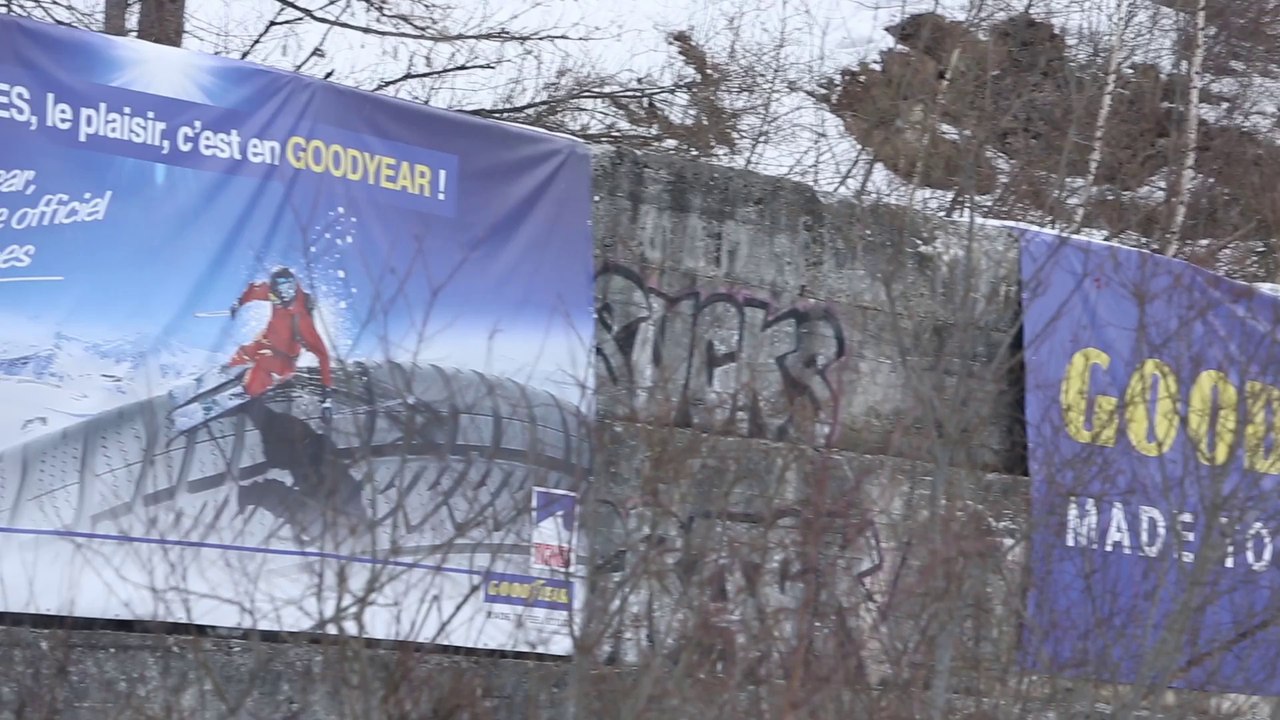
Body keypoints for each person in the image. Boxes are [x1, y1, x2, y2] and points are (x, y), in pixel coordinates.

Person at [228, 266, 333, 422]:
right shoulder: (273, 294)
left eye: (289, 287)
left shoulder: (302, 319)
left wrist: (327, 399)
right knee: (244, 352)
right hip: (266, 340)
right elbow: (255, 290)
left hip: (283, 359)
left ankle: (249, 389)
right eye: (281, 289)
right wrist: (239, 302)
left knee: (263, 363)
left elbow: (323, 356)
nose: (285, 294)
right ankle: (233, 372)